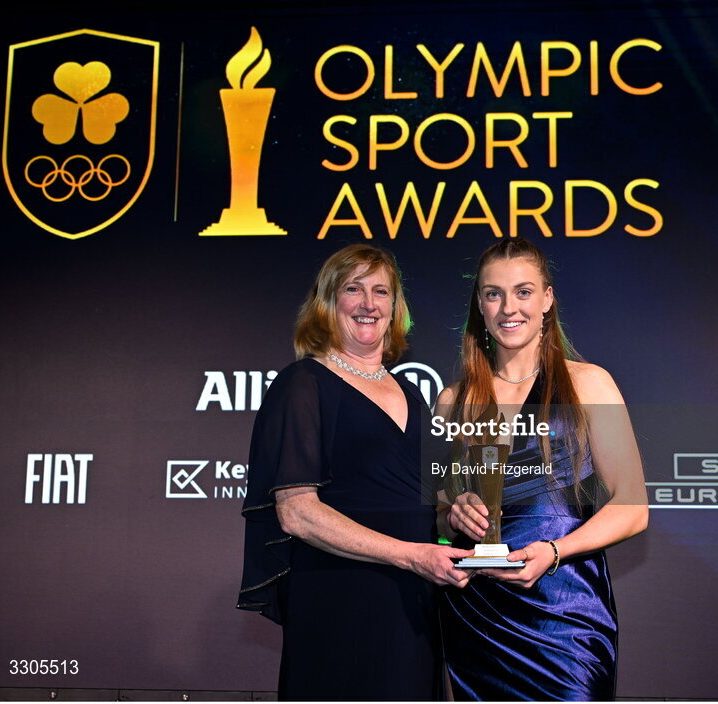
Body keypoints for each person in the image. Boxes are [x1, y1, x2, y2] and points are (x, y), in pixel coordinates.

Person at [237, 244, 472, 701]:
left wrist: (458, 515)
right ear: (328, 303)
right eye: (353, 289)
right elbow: (297, 513)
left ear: (395, 308)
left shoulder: (412, 394)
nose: (368, 303)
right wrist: (411, 555)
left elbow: (435, 511)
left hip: (414, 603)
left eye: (381, 291)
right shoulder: (303, 383)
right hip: (339, 597)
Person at [437, 239, 648, 701]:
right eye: (494, 294)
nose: (509, 308)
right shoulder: (453, 400)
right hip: (479, 618)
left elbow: (633, 507)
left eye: (523, 292)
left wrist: (553, 551)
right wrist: (454, 513)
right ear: (480, 305)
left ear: (548, 299)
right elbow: (439, 518)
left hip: (566, 616)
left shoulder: (588, 384)